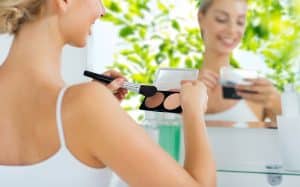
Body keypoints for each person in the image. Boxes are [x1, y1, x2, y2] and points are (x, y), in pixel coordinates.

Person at [0, 0, 216, 186]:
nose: (102, 10)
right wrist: (194, 110)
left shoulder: (87, 106)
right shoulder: (88, 105)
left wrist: (98, 111)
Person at [197, 0, 282, 123]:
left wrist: (279, 107)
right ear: (201, 19)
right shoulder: (175, 88)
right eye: (221, 19)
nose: (232, 30)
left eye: (240, 22)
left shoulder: (255, 90)